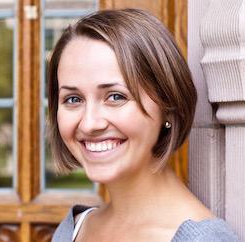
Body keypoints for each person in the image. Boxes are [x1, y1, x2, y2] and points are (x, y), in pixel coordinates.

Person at [47, 9, 240, 242]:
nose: (89, 124)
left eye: (116, 96)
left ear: (168, 104)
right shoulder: (74, 229)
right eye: (73, 99)